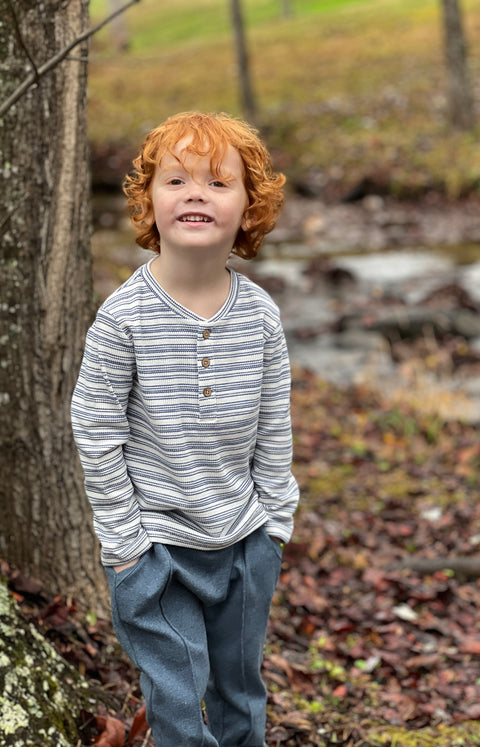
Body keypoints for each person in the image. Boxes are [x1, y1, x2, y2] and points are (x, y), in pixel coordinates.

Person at [71, 111, 299, 746]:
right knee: (176, 706)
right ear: (148, 201)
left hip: (246, 542)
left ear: (250, 209)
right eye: (176, 179)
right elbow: (94, 427)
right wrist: (125, 544)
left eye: (218, 182)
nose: (196, 192)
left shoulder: (258, 313)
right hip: (156, 551)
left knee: (241, 696)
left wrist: (275, 523)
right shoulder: (124, 316)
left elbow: (273, 422)